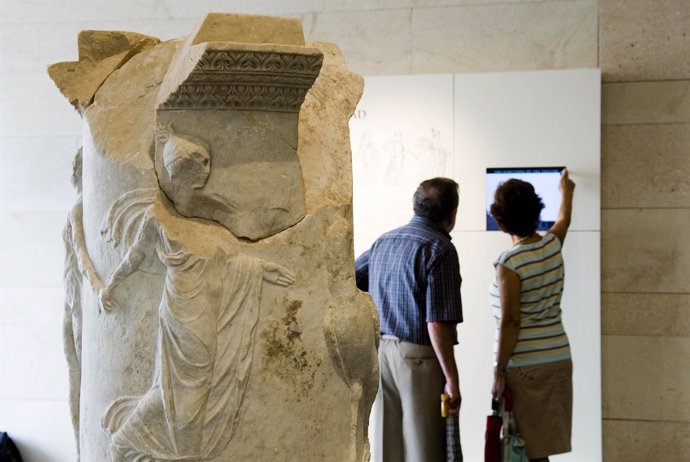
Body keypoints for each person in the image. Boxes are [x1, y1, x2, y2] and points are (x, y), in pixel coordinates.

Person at [355, 177, 463, 461]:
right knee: (423, 446)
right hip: (420, 357)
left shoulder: (384, 242)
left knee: (387, 445)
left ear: (415, 207)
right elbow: (437, 322)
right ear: (451, 215)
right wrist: (452, 379)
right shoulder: (440, 249)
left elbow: (351, 277)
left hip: (382, 353)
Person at [489, 169, 576, 462]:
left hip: (526, 367)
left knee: (526, 450)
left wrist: (499, 370)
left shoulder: (509, 262)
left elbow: (510, 320)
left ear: (500, 218)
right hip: (558, 358)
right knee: (539, 449)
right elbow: (563, 220)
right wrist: (567, 193)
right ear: (536, 210)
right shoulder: (552, 244)